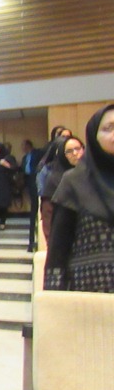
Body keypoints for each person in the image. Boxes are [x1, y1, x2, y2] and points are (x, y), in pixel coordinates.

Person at [44, 105, 114, 292]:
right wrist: (54, 294)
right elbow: (58, 249)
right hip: (91, 292)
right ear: (94, 136)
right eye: (108, 128)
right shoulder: (74, 182)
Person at [40, 135, 84, 242]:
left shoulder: (93, 175)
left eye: (78, 149)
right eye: (69, 151)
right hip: (67, 240)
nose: (75, 153)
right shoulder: (55, 179)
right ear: (62, 155)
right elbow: (48, 219)